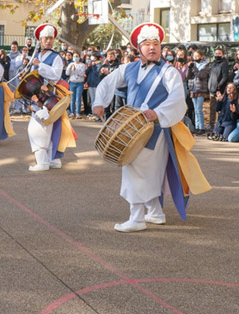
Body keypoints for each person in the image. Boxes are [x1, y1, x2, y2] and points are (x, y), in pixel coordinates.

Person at [93, 22, 210, 232]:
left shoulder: (169, 71)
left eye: (155, 43)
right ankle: (155, 212)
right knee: (147, 172)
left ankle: (137, 218)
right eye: (147, 44)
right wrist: (99, 102)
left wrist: (158, 113)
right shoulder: (128, 68)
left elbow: (177, 98)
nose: (152, 47)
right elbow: (107, 83)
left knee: (136, 170)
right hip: (131, 130)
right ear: (139, 48)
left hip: (155, 130)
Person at [25, 24, 76, 171]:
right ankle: (52, 160)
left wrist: (40, 65)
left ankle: (42, 162)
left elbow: (55, 75)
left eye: (51, 38)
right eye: (46, 38)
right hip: (38, 97)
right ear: (40, 40)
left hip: (49, 98)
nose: (48, 41)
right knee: (47, 127)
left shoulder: (56, 57)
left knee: (38, 128)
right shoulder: (37, 56)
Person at [187, 49, 210, 134]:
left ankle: (201, 127)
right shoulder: (193, 65)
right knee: (195, 109)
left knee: (199, 109)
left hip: (201, 89)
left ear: (201, 56)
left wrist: (194, 68)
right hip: (193, 89)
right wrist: (189, 68)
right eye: (194, 56)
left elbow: (201, 76)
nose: (196, 58)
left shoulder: (205, 65)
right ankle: (196, 126)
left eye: (197, 56)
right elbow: (187, 76)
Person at [207, 46, 229, 130]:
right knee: (212, 108)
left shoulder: (224, 64)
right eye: (216, 53)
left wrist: (219, 86)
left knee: (219, 109)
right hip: (211, 89)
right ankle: (211, 124)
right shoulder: (213, 64)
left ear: (223, 55)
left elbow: (225, 77)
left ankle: (219, 125)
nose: (217, 55)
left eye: (219, 53)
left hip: (219, 90)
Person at [66, 51, 86, 119]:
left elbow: (82, 74)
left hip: (79, 83)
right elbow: (67, 73)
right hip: (72, 82)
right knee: (72, 98)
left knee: (78, 98)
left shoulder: (82, 65)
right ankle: (72, 112)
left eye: (77, 56)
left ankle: (77, 113)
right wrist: (69, 68)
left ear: (79, 57)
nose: (75, 58)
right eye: (74, 57)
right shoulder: (71, 64)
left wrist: (75, 69)